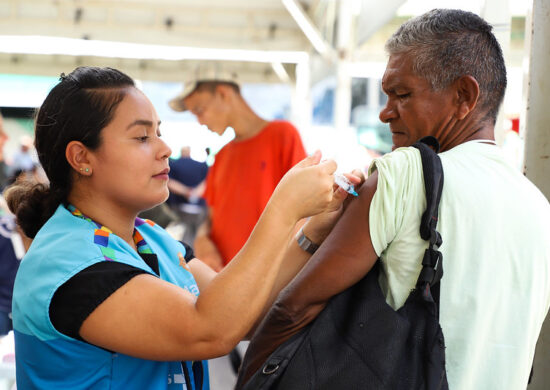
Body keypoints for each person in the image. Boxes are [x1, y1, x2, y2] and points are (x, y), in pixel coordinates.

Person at [241, 9, 550, 389]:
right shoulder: (540, 209)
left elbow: (292, 309)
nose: (386, 113)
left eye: (402, 94)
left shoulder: (404, 174)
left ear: (464, 96)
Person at [4, 66, 358, 389]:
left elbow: (245, 315)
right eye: (142, 138)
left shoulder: (149, 238)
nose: (165, 149)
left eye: (159, 133)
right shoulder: (68, 263)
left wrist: (312, 233)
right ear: (82, 158)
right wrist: (283, 210)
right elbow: (210, 331)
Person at [169, 65, 307, 272]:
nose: (199, 121)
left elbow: (304, 211)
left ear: (223, 94)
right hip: (225, 278)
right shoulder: (222, 154)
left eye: (199, 110)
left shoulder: (283, 135)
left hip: (269, 279)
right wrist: (202, 238)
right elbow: (210, 215)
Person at [166, 146, 209, 244]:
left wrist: (186, 192)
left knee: (177, 236)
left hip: (177, 206)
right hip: (199, 207)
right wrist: (194, 193)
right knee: (196, 235)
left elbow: (169, 182)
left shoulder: (173, 165)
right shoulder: (202, 166)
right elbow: (207, 183)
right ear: (190, 152)